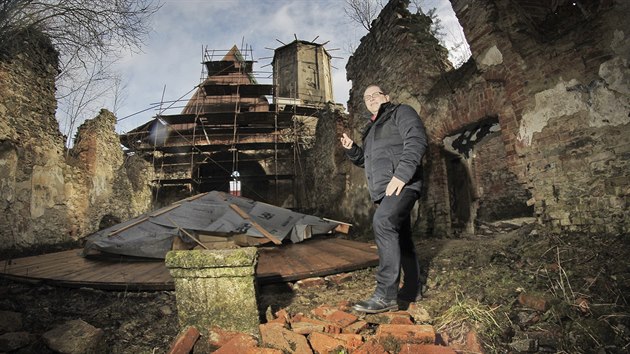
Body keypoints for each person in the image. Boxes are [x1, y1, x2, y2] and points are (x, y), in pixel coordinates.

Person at [340, 84, 428, 313]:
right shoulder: (370, 130)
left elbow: (417, 140)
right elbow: (365, 162)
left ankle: (385, 295)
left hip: (402, 184)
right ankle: (411, 289)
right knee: (403, 238)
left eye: (375, 95)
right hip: (384, 191)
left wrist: (401, 175)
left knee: (383, 222)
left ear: (386, 97)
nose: (371, 99)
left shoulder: (401, 112)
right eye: (366, 97)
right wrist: (352, 150)